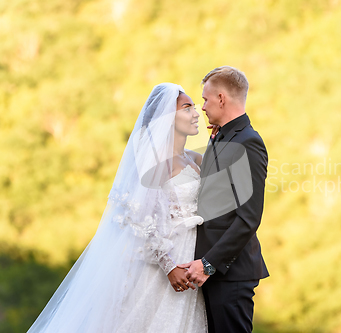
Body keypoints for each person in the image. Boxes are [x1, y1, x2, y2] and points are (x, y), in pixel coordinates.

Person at [27, 83, 208, 333]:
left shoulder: (196, 159)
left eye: (195, 107)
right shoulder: (154, 161)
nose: (196, 113)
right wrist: (169, 266)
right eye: (187, 108)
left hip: (191, 258)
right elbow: (139, 216)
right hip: (163, 266)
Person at [179, 66, 269, 333]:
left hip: (231, 272)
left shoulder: (248, 142)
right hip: (215, 272)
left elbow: (248, 217)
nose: (202, 107)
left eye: (205, 99)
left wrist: (208, 264)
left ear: (221, 98)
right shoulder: (224, 135)